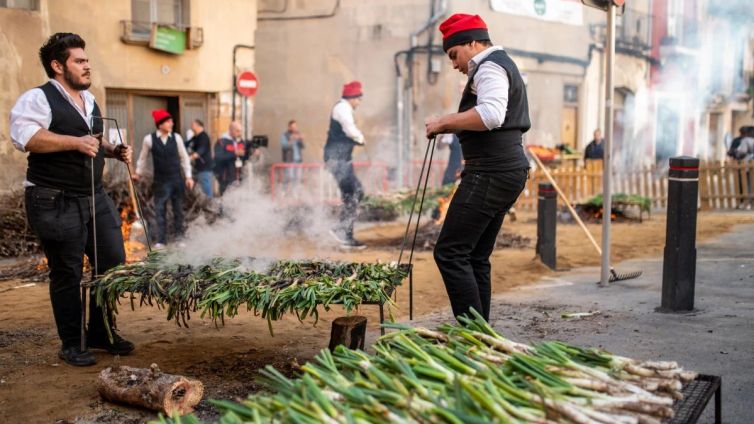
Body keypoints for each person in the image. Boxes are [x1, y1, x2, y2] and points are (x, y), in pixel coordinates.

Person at [9, 33, 134, 366]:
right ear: (57, 65)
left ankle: (101, 331)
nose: (87, 66)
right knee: (66, 271)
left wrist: (112, 150)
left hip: (93, 195)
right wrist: (75, 143)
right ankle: (72, 341)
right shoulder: (37, 98)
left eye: (86, 60)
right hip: (54, 198)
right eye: (79, 61)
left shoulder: (90, 101)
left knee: (111, 263)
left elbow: (93, 139)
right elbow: (28, 139)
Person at [425, 14, 530, 322]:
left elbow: (493, 114)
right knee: (475, 257)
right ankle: (481, 337)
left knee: (450, 253)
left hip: (492, 172)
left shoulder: (491, 66)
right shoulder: (497, 64)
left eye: (454, 55)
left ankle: (472, 335)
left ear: (472, 43)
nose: (454, 64)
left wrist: (444, 121)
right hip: (504, 171)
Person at [134, 109, 193, 249]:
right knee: (160, 210)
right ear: (160, 124)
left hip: (176, 180)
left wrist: (189, 176)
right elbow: (142, 159)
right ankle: (161, 240)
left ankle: (179, 238)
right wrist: (138, 173)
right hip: (160, 181)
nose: (171, 123)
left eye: (171, 121)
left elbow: (184, 158)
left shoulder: (177, 138)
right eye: (168, 121)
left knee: (178, 210)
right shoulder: (149, 139)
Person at [324, 81, 367, 249]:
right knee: (356, 191)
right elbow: (350, 130)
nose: (359, 103)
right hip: (338, 160)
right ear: (353, 98)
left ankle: (345, 235)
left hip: (342, 159)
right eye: (359, 99)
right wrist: (361, 138)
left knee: (351, 193)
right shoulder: (342, 108)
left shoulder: (343, 108)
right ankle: (342, 230)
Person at [214, 121, 250, 195]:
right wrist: (234, 153)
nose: (239, 133)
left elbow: (244, 158)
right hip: (226, 178)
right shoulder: (221, 141)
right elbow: (218, 157)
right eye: (237, 131)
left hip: (239, 177)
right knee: (226, 202)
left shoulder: (241, 141)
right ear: (230, 130)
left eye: (240, 131)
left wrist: (252, 154)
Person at [187, 118, 214, 198]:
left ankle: (210, 206)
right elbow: (186, 144)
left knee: (206, 191)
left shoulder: (203, 137)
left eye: (193, 124)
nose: (191, 126)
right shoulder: (195, 137)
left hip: (204, 168)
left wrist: (190, 158)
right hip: (198, 168)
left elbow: (201, 150)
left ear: (198, 126)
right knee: (200, 190)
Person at [280, 119, 305, 190]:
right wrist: (292, 139)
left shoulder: (298, 134)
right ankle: (284, 192)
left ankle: (295, 194)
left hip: (298, 160)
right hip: (289, 160)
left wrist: (301, 139)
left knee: (298, 178)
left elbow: (303, 147)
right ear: (289, 127)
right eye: (293, 127)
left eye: (295, 127)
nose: (295, 128)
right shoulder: (284, 135)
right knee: (289, 177)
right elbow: (284, 146)